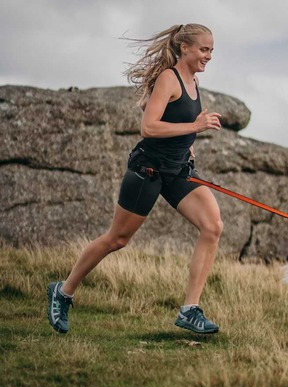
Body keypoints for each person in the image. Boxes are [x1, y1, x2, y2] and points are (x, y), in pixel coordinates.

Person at [47, 23, 224, 334]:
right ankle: (63, 291)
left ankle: (189, 310)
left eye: (211, 50)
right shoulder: (169, 78)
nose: (208, 56)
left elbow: (178, 122)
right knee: (117, 239)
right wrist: (195, 128)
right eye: (204, 49)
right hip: (148, 171)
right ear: (185, 48)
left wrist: (190, 147)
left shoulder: (193, 81)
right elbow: (150, 128)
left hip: (177, 171)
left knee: (213, 226)